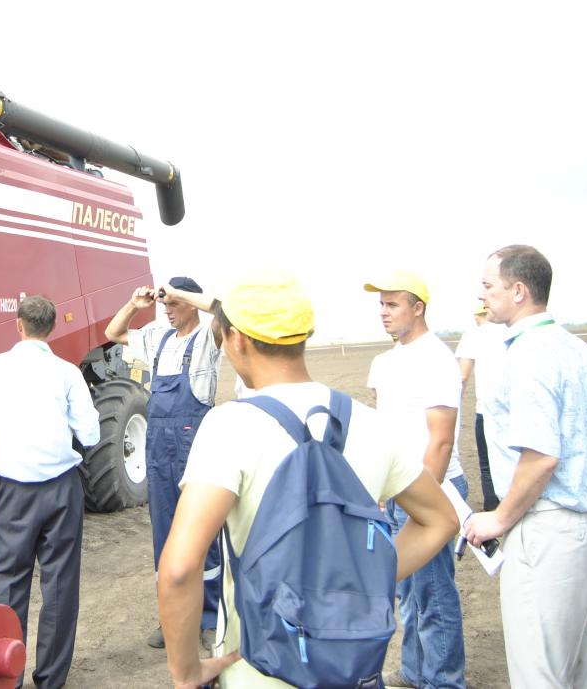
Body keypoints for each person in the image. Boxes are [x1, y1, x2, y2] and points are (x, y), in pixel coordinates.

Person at [157, 273, 459, 689]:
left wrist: (186, 672)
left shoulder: (230, 425)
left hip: (259, 668)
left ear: (238, 339)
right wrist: (363, 583)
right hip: (353, 668)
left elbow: (179, 569)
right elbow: (441, 521)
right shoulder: (371, 424)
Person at [464, 245, 587, 689]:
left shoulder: (527, 353)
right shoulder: (575, 347)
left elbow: (542, 454)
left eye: (489, 285)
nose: (482, 295)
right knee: (584, 667)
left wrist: (498, 518)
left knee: (539, 673)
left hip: (546, 529)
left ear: (519, 290)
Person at [0, 296, 100, 689]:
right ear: (51, 329)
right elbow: (91, 434)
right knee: (59, 586)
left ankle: (6, 678)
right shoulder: (67, 373)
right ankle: (51, 680)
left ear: (18, 326)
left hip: (14, 494)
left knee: (8, 583)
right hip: (62, 492)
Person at [105, 277, 222, 650]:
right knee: (166, 537)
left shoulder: (206, 339)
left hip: (195, 449)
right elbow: (113, 331)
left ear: (189, 303)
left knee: (203, 536)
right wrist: (134, 304)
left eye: (172, 305)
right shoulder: (158, 337)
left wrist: (180, 293)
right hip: (158, 449)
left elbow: (226, 311)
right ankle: (172, 619)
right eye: (165, 306)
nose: (167, 311)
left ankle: (209, 617)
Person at [363, 270, 467, 689]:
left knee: (435, 595)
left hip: (431, 490)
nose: (383, 313)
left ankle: (443, 681)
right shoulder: (384, 362)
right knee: (408, 590)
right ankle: (413, 671)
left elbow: (440, 441)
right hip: (396, 493)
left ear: (418, 307)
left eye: (392, 304)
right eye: (381, 305)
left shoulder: (437, 358)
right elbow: (385, 429)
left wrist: (418, 501)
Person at [456, 303, 504, 511]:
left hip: (486, 410)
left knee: (486, 464)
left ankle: (492, 505)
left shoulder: (474, 335)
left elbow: (463, 375)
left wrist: (455, 403)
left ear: (478, 314)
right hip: (513, 410)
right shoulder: (510, 329)